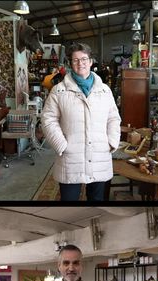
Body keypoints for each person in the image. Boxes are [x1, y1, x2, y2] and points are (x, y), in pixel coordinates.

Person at [42, 42, 121, 201]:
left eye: (84, 59)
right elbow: (48, 119)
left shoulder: (104, 90)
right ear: (71, 63)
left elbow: (113, 117)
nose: (80, 63)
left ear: (91, 61)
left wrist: (112, 142)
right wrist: (61, 145)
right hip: (71, 157)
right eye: (76, 60)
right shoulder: (59, 90)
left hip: (100, 155)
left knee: (97, 203)